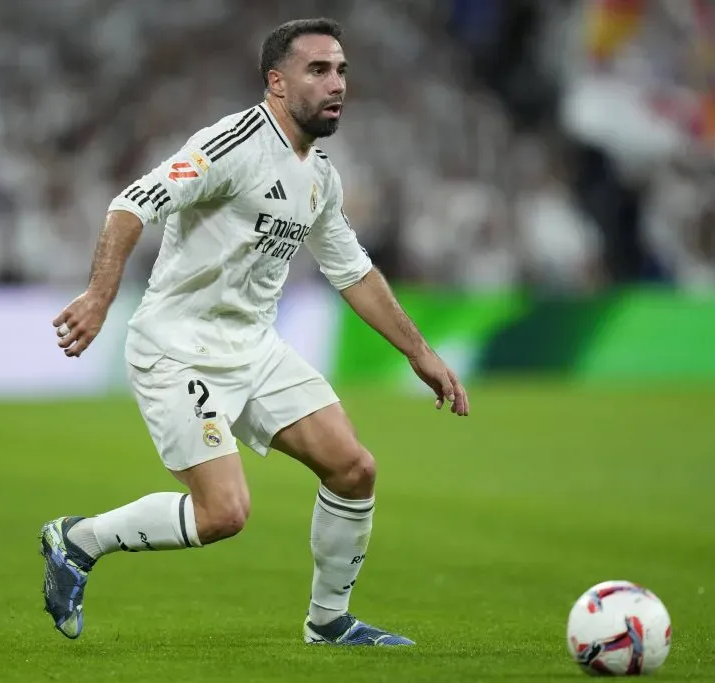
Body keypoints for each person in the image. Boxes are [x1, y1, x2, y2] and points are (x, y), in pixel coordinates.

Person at [40, 17, 469, 647]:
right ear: (277, 82)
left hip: (255, 348)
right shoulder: (230, 145)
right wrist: (101, 296)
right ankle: (78, 539)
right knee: (224, 514)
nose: (337, 84)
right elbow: (132, 204)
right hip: (178, 350)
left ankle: (329, 622)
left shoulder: (319, 175)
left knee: (353, 469)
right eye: (318, 70)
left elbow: (352, 270)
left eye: (342, 70)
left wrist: (420, 351)